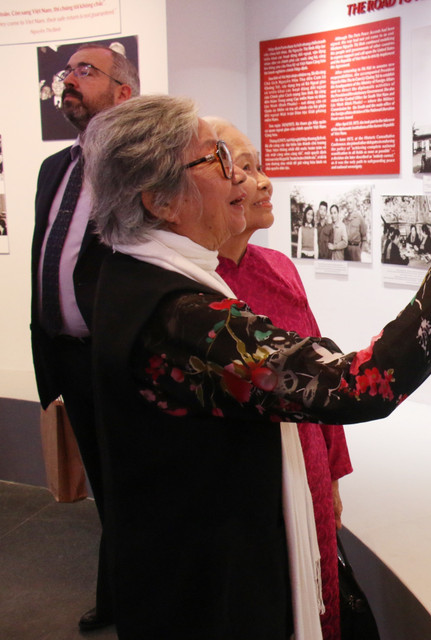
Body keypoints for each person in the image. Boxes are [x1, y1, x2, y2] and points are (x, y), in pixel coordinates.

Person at [82, 94, 431, 639]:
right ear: (161, 201)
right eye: (219, 162)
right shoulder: (181, 318)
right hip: (208, 588)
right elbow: (357, 385)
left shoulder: (135, 275)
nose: (241, 181)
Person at [209, 117, 353, 639]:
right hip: (254, 484)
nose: (266, 181)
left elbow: (327, 378)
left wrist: (333, 471)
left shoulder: (278, 267)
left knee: (319, 598)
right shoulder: (197, 289)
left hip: (307, 460)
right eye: (244, 169)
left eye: (261, 166)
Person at [30, 42, 139, 633]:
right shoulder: (55, 168)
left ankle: (138, 597)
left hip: (112, 357)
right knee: (104, 483)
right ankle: (118, 594)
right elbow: (41, 259)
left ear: (124, 93)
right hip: (65, 355)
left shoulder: (139, 167)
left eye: (85, 71)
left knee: (128, 482)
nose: (69, 80)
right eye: (67, 71)